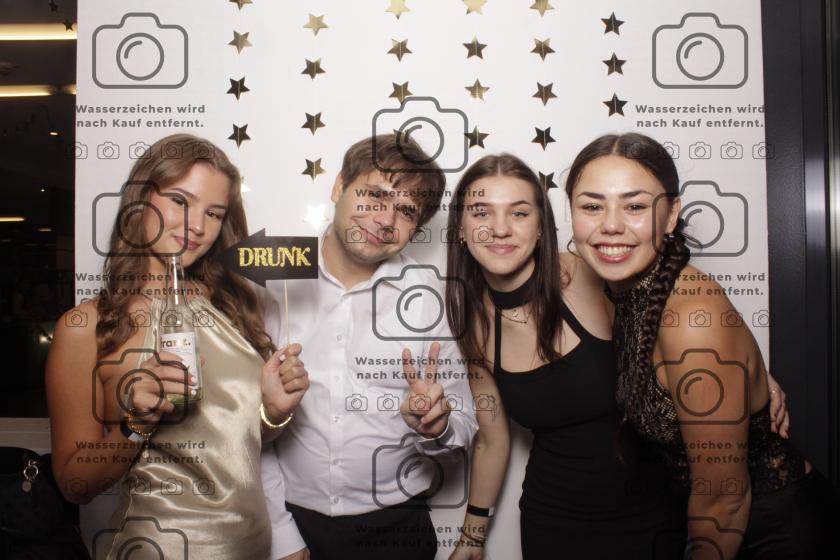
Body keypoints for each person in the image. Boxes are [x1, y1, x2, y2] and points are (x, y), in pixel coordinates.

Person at [444, 154, 791, 560]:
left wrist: (749, 377)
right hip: (551, 519)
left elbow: (677, 311)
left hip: (653, 516)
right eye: (481, 212)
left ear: (541, 227)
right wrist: (472, 536)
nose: (500, 228)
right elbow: (492, 440)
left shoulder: (591, 274)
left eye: (519, 212)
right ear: (461, 229)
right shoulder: (473, 323)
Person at [564, 132, 837, 559]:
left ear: (671, 214)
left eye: (635, 206)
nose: (611, 224)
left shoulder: (694, 319)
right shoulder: (616, 284)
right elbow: (510, 247)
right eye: (592, 206)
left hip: (769, 531)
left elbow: (725, 499)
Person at [46, 133, 309, 559]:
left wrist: (272, 412)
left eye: (214, 213)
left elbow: (230, 442)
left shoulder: (230, 307)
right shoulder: (86, 327)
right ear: (141, 199)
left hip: (254, 547)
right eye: (180, 201)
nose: (198, 226)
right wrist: (136, 423)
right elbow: (74, 485)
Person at [260, 134, 478, 560]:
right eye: (375, 195)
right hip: (290, 520)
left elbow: (464, 421)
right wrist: (281, 532)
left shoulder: (430, 297)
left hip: (397, 529)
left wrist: (437, 428)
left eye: (406, 211)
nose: (385, 220)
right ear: (339, 186)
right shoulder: (271, 280)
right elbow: (246, 427)